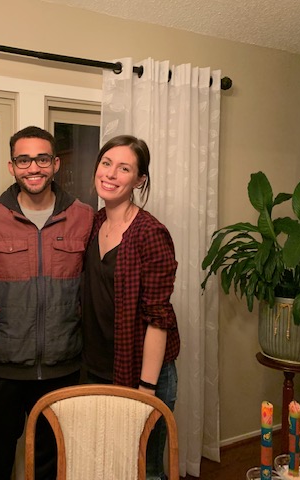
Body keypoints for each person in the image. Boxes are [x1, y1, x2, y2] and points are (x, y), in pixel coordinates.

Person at [0, 126, 93, 480]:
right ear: (12, 167)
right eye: (24, 160)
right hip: (3, 365)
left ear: (55, 164)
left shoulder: (83, 215)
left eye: (42, 159)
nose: (33, 168)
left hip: (62, 364)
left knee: (51, 460)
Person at [81, 135, 180, 480]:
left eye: (124, 168)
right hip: (100, 366)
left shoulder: (150, 233)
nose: (110, 174)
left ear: (139, 180)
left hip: (142, 373)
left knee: (145, 470)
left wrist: (146, 391)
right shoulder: (96, 222)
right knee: (110, 466)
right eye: (106, 163)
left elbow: (158, 319)